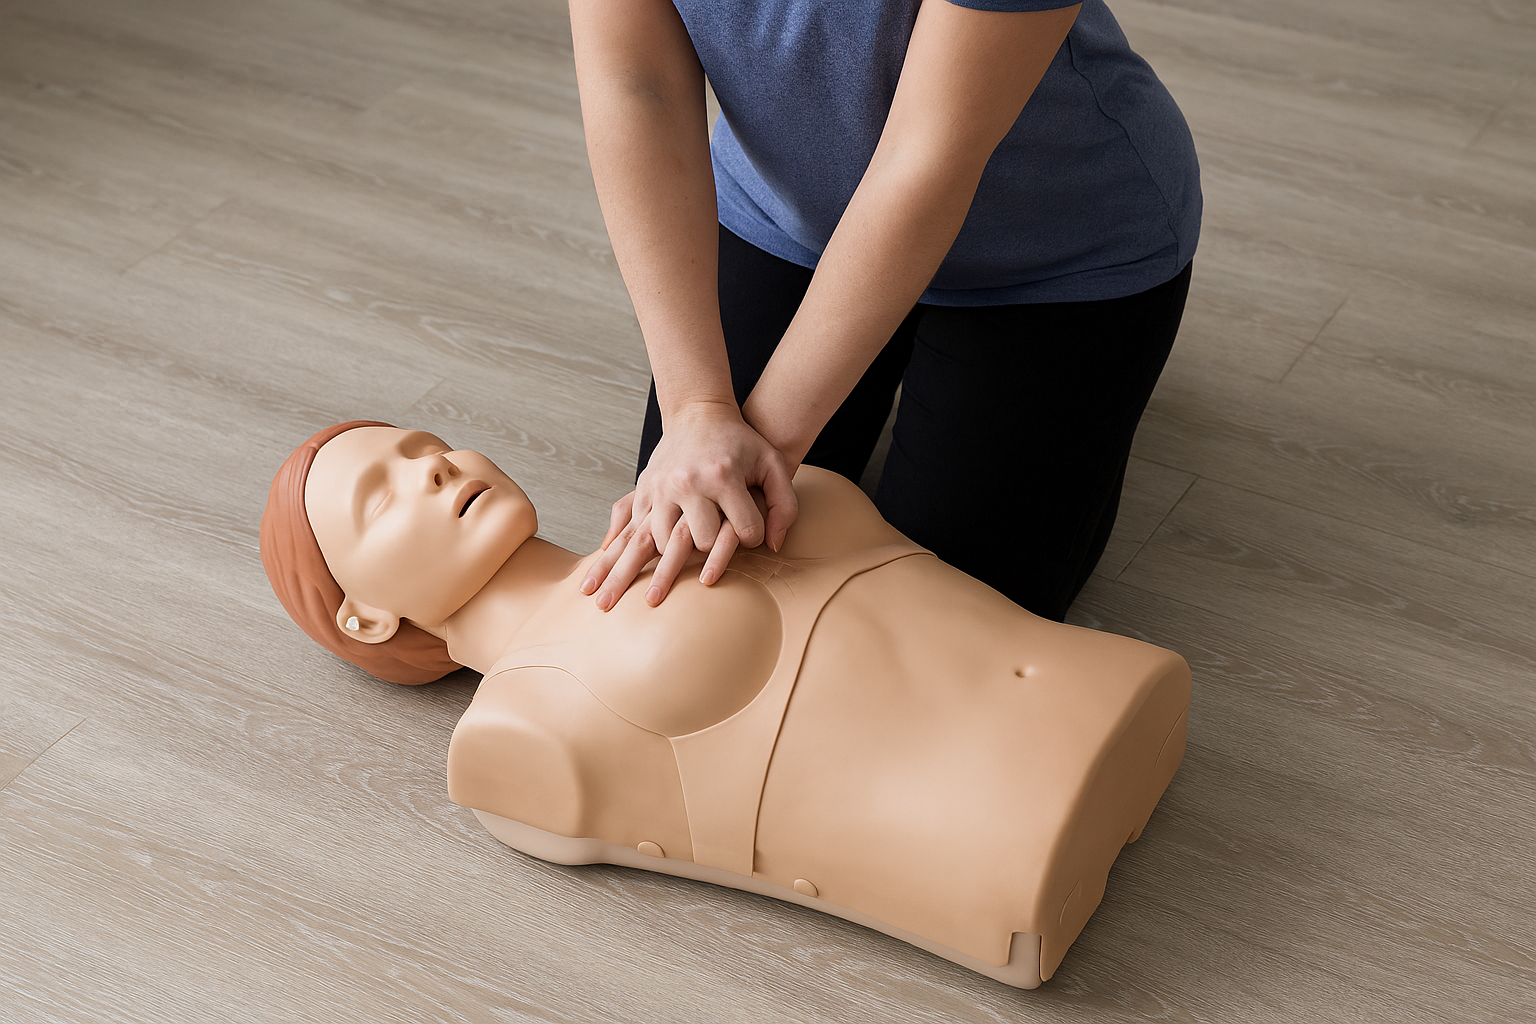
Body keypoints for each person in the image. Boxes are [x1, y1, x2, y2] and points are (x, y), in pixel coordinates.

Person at [260, 421, 1191, 986]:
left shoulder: (668, 498)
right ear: (367, 618)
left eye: (431, 446)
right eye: (383, 499)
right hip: (1019, 856)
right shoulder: (511, 735)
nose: (437, 467)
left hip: (1113, 685)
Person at [569, 0, 1201, 622]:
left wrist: (768, 446)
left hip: (1052, 252)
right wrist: (696, 411)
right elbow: (634, 85)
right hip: (787, 214)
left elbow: (930, 151)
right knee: (694, 571)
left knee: (932, 629)